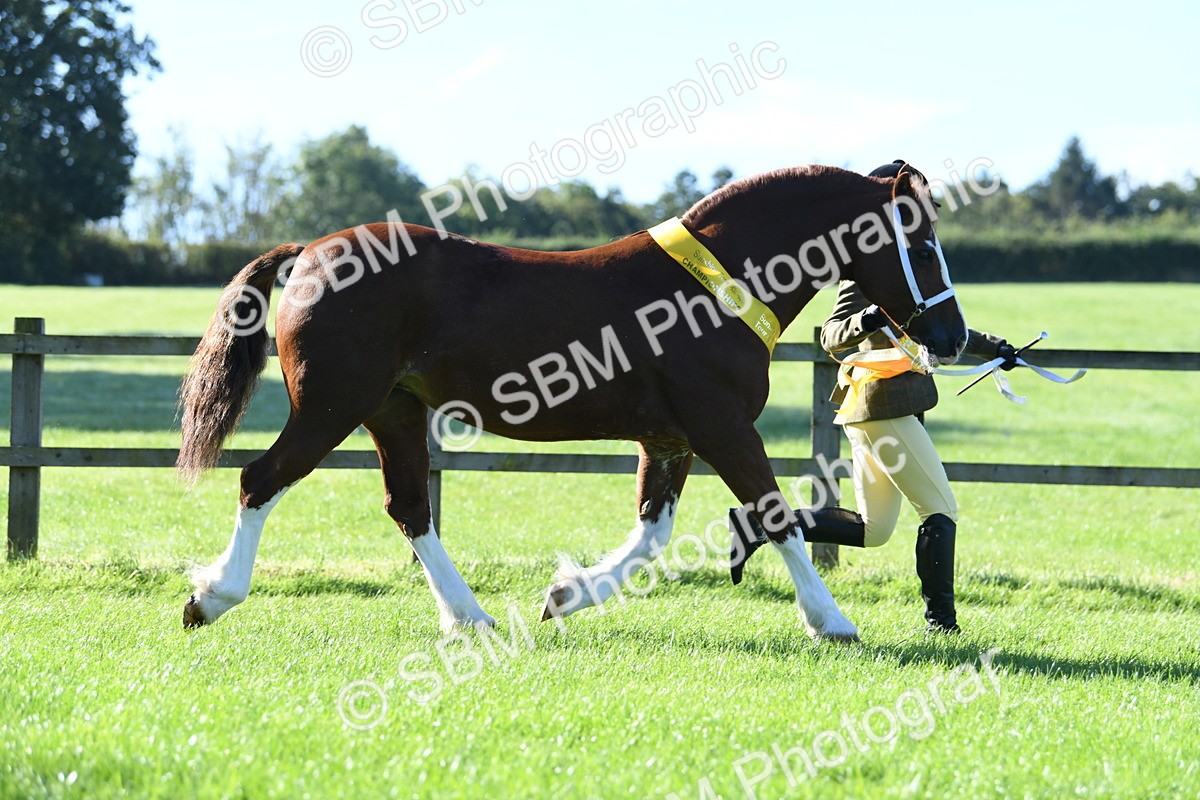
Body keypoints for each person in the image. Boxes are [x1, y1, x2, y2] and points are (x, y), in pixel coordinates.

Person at [729, 161, 1017, 633]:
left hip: (882, 410)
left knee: (873, 529)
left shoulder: (910, 262)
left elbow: (938, 324)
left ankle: (757, 525)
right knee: (941, 508)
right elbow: (831, 336)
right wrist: (869, 319)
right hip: (882, 407)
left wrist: (997, 348)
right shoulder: (869, 270)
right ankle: (941, 625)